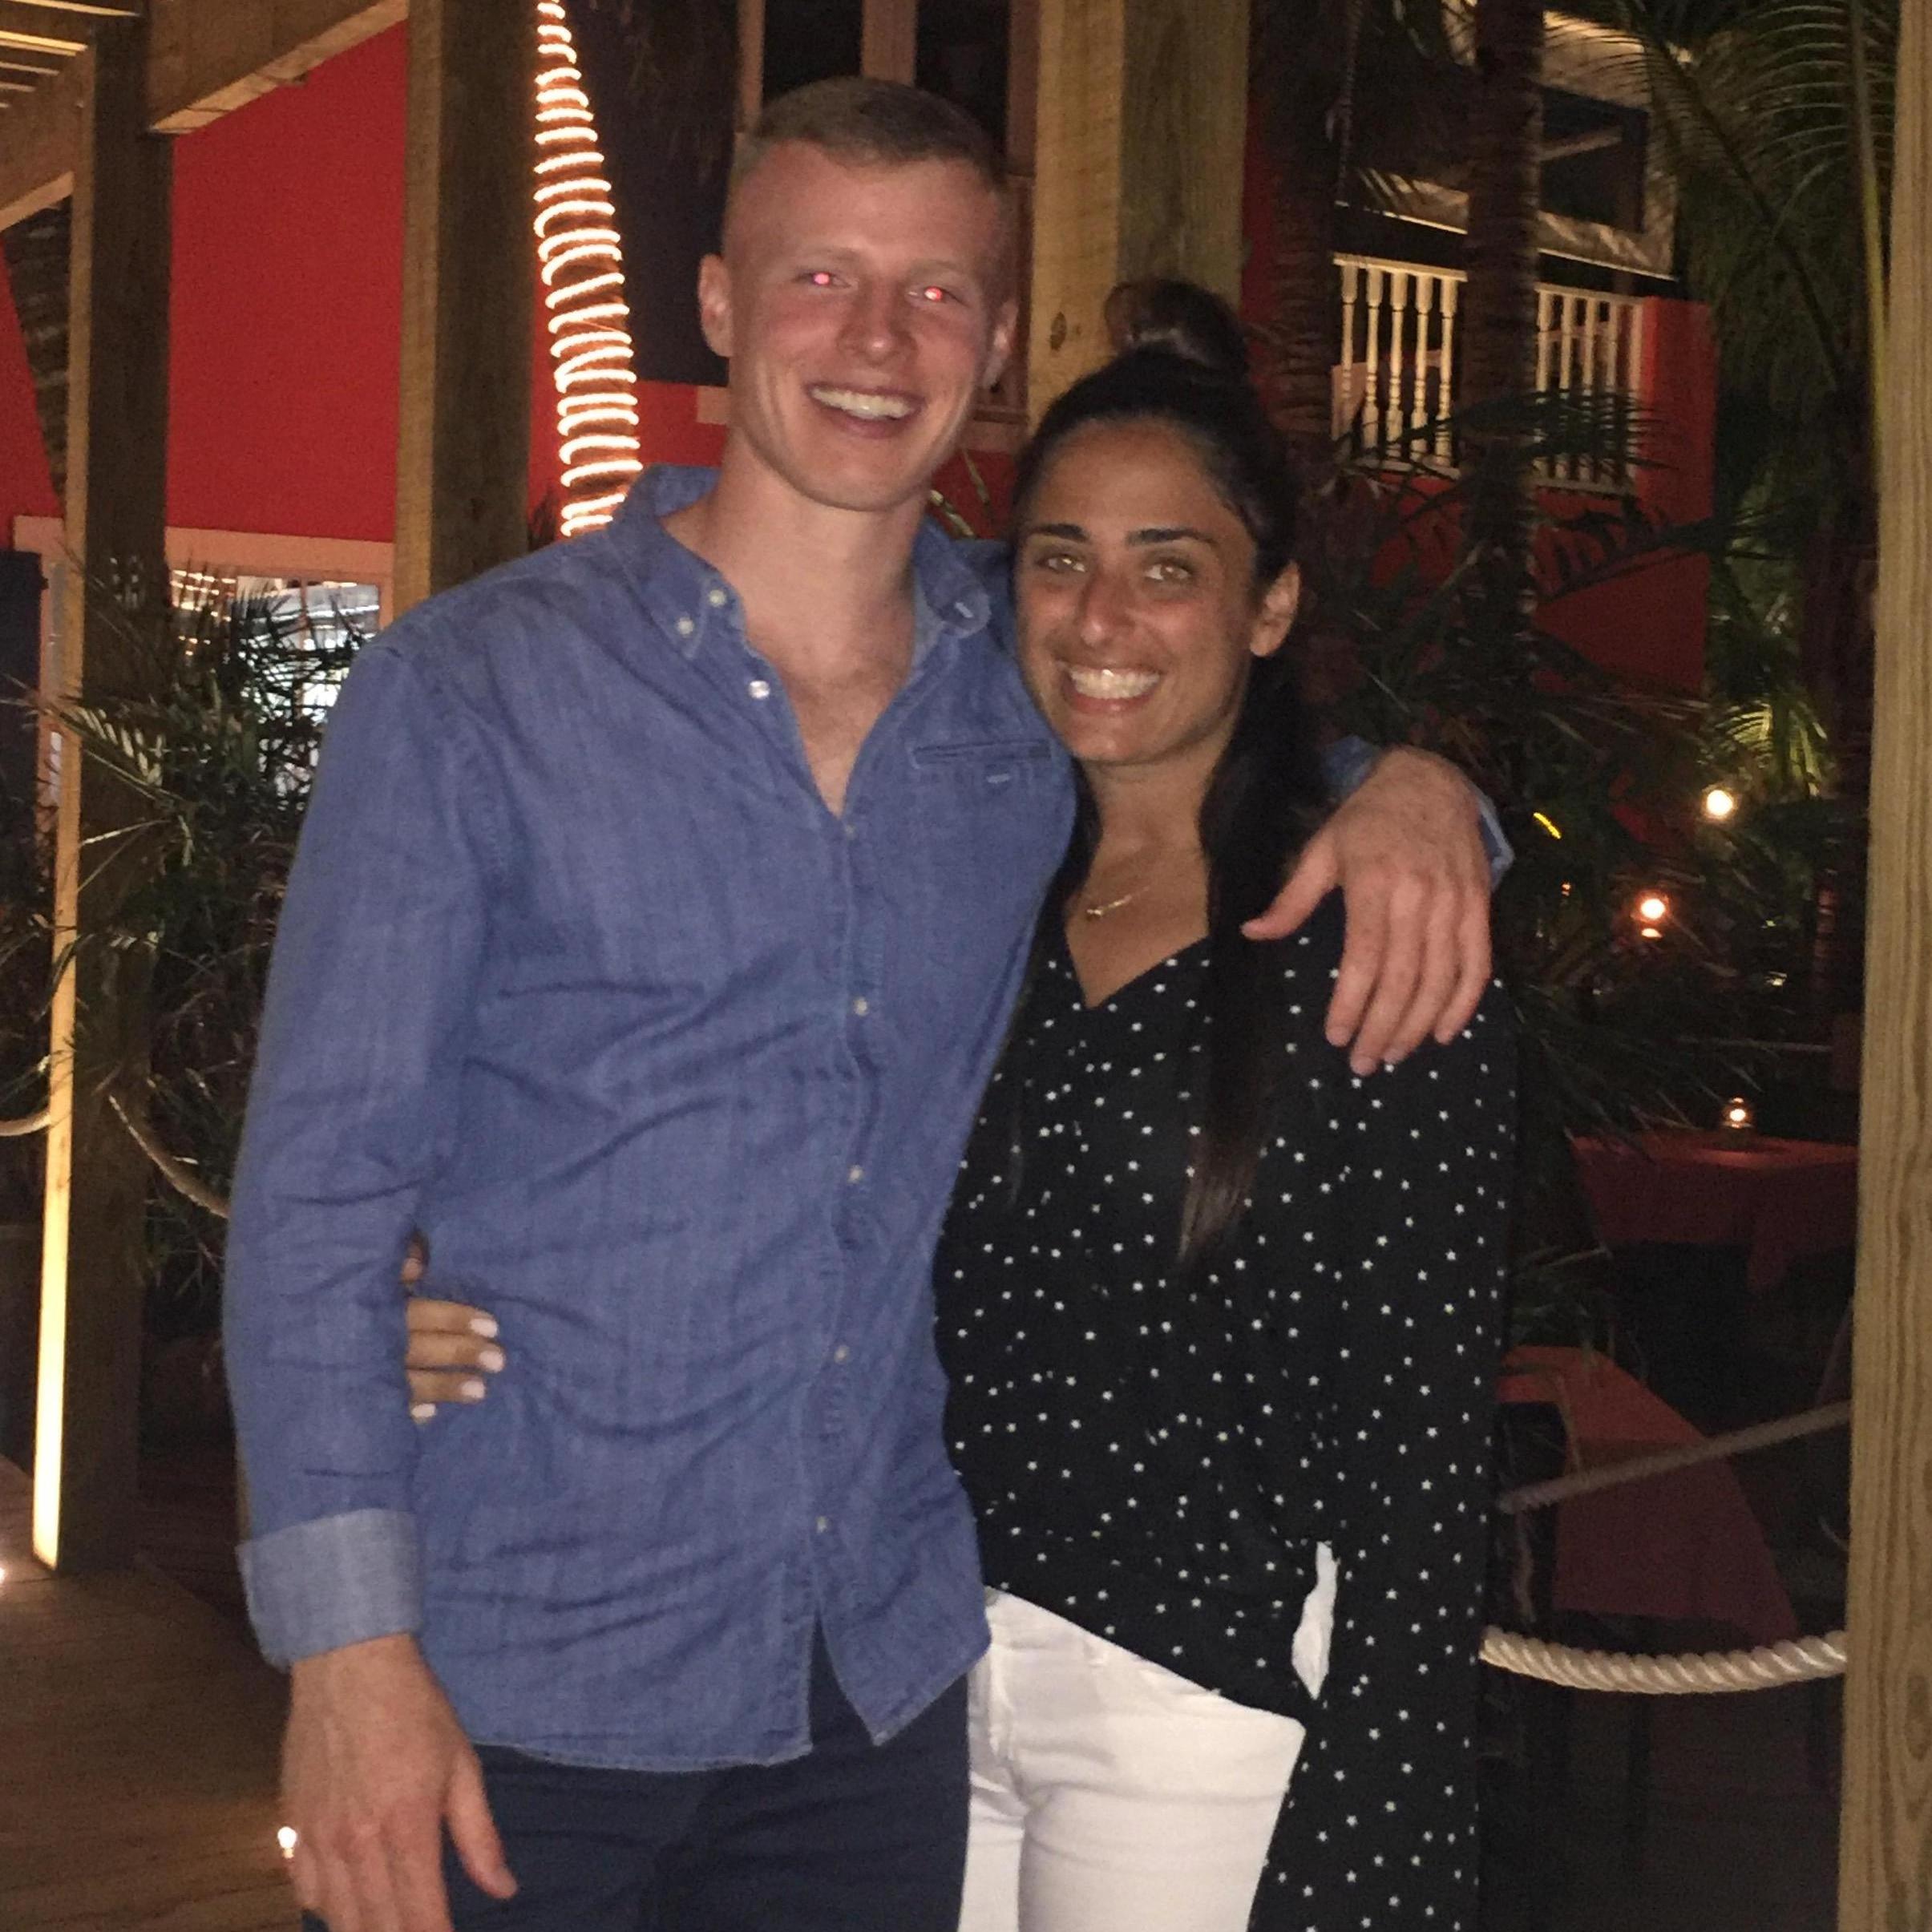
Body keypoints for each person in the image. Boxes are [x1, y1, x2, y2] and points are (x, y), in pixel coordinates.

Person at [227, 79, 1498, 1932]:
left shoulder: (1023, 688)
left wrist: (1422, 795)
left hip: (875, 1705)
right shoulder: (474, 691)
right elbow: (317, 1200)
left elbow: (1207, 704)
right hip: (517, 1686)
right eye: (820, 275)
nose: (877, 339)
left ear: (992, 338)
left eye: (934, 291)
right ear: (719, 302)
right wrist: (345, 1657)